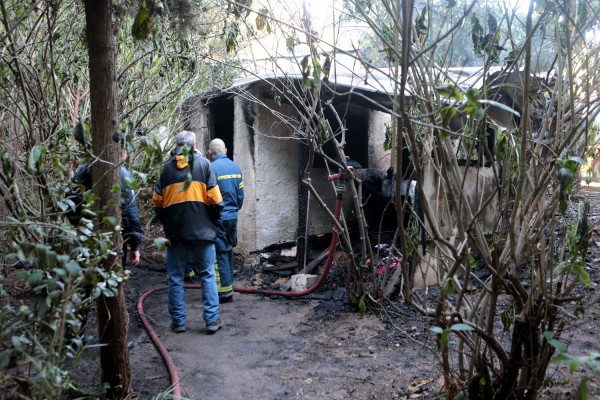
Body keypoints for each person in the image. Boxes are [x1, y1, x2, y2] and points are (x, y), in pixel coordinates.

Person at [153, 130, 224, 334]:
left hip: (176, 233)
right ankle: (211, 321)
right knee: (207, 275)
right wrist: (212, 221)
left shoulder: (166, 170)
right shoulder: (204, 165)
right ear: (194, 146)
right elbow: (216, 200)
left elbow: (157, 203)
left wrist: (168, 222)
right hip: (203, 232)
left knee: (175, 277)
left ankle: (178, 322)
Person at [208, 138, 244, 303]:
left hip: (219, 218)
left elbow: (208, 198)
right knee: (228, 250)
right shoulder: (236, 168)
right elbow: (240, 197)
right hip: (232, 216)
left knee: (221, 252)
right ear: (226, 150)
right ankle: (229, 285)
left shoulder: (211, 168)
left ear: (210, 153)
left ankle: (224, 292)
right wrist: (233, 210)